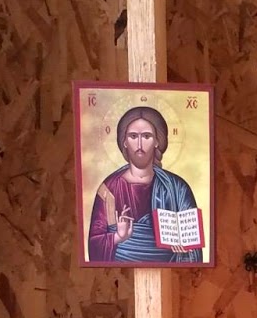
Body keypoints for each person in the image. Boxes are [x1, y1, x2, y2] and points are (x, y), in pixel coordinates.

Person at [87, 106, 204, 264]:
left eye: (147, 136)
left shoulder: (177, 188)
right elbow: (94, 245)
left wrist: (183, 248)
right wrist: (118, 237)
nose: (140, 144)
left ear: (157, 141)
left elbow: (193, 250)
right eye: (133, 136)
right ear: (124, 142)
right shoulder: (109, 189)